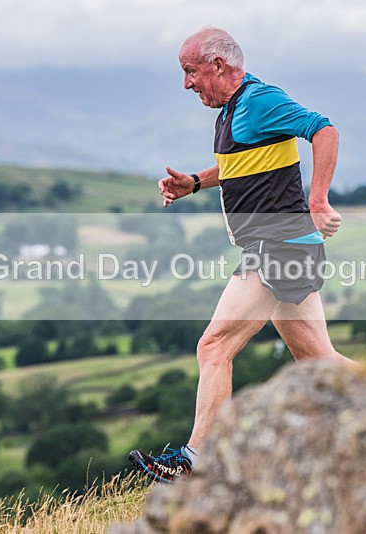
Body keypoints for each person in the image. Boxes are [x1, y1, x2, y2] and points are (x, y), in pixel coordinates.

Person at [128, 27, 352, 483]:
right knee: (318, 361)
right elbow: (237, 167)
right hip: (286, 247)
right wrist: (194, 181)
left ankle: (196, 461)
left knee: (214, 346)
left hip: (280, 247)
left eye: (191, 72)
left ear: (218, 66)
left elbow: (323, 129)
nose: (186, 84)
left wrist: (318, 200)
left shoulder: (260, 101)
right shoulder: (235, 109)